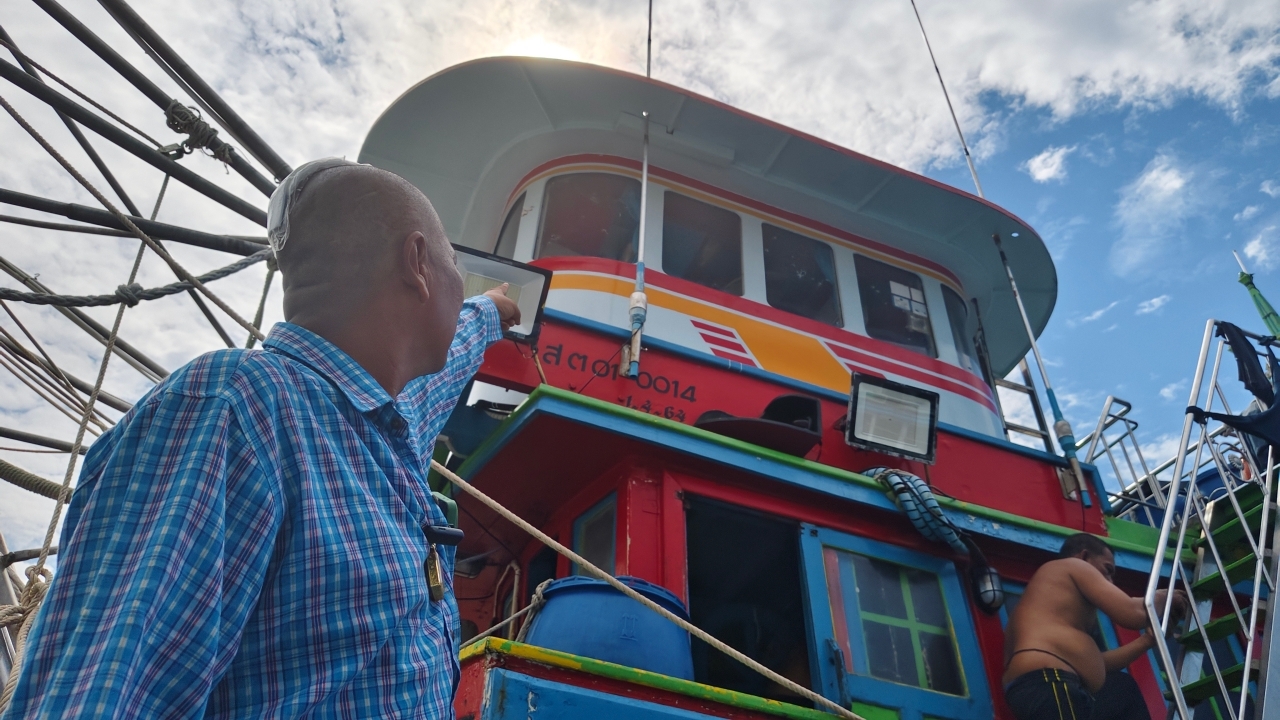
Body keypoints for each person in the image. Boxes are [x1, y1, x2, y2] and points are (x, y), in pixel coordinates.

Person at [0, 159, 520, 719]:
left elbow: (438, 371)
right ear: (417, 263)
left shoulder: (378, 435)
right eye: (454, 265)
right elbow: (100, 697)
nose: (460, 284)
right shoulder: (232, 408)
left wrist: (492, 312)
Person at [1003, 533, 1188, 720]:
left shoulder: (1047, 612)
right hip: (1050, 681)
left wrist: (1147, 640)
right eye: (1107, 570)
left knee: (1122, 688)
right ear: (1084, 557)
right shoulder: (1073, 566)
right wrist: (1164, 596)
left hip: (1042, 684)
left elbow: (1098, 662)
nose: (1110, 581)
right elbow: (1131, 613)